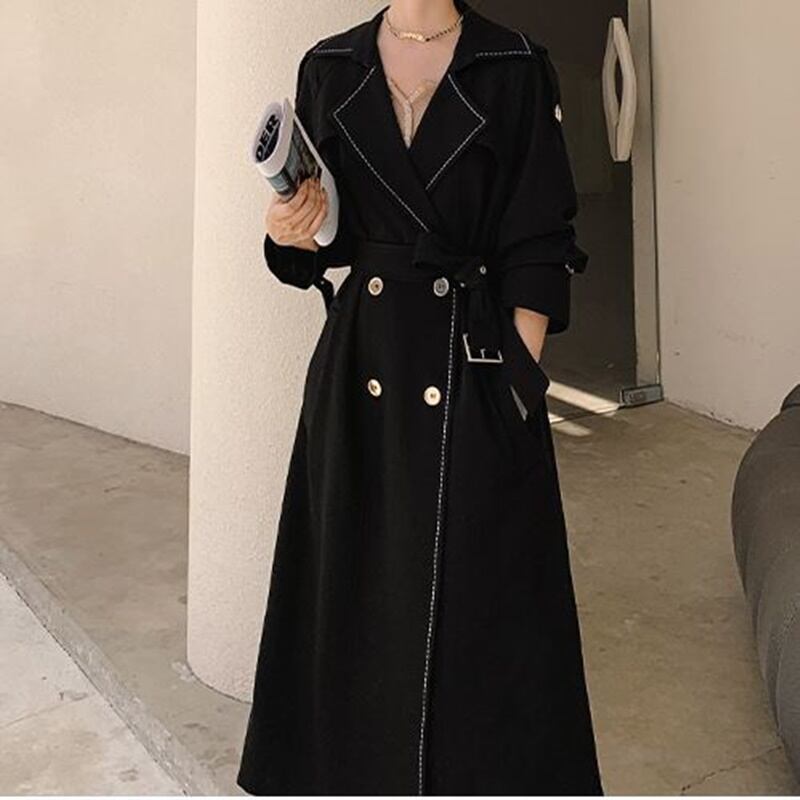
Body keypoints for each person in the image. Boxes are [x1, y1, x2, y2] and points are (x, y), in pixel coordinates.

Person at [237, 0, 604, 795]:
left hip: (475, 363)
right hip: (362, 369)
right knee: (357, 604)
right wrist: (286, 229)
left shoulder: (512, 65)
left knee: (487, 615)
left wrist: (513, 380)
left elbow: (541, 239)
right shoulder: (331, 67)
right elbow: (323, 247)